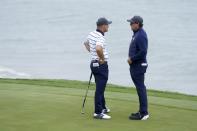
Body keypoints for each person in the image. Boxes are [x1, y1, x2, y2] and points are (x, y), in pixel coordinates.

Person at [84, 17, 112, 119]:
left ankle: (103, 107)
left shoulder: (92, 33)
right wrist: (102, 58)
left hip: (94, 64)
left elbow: (86, 43)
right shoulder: (100, 37)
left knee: (100, 87)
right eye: (107, 24)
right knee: (100, 89)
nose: (108, 26)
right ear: (103, 26)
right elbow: (98, 48)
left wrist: (93, 54)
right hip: (101, 65)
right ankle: (98, 112)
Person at [127, 16, 149, 120]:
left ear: (137, 24)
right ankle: (142, 111)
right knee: (140, 88)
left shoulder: (141, 35)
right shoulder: (137, 34)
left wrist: (132, 58)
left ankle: (144, 113)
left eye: (132, 23)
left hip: (139, 66)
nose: (130, 25)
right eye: (130, 23)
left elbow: (143, 51)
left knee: (141, 89)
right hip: (136, 65)